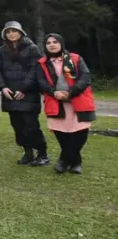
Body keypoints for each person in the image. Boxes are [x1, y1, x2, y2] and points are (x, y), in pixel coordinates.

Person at [36, 34, 96, 174]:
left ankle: (65, 160)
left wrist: (71, 92)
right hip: (56, 102)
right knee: (61, 132)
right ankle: (74, 162)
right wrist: (54, 92)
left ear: (61, 43)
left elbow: (85, 77)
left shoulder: (75, 58)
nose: (52, 45)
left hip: (77, 100)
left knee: (80, 132)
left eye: (55, 42)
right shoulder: (42, 63)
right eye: (48, 43)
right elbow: (41, 81)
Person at [0, 21, 49, 167]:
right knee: (17, 126)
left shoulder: (32, 48)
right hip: (9, 94)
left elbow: (35, 70)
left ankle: (43, 154)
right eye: (8, 31)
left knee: (31, 126)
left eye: (14, 31)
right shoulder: (1, 51)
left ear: (20, 32)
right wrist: (2, 87)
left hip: (28, 94)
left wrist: (24, 88)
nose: (11, 34)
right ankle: (28, 152)